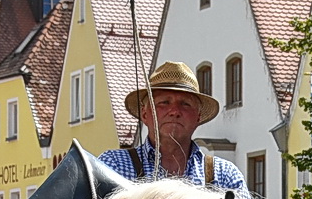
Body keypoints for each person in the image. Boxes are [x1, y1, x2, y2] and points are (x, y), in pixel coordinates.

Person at [98, 62, 246, 191]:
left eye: (185, 104)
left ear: (198, 117)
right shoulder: (113, 166)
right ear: (145, 114)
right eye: (164, 102)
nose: (175, 111)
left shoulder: (225, 175)